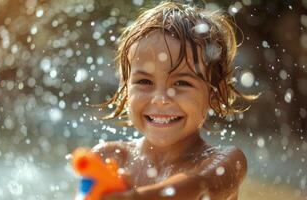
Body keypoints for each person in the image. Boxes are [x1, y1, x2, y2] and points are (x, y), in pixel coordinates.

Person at [91, 1, 257, 199]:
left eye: (182, 83)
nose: (161, 99)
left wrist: (135, 197)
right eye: (144, 81)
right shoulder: (109, 159)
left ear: (213, 94)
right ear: (126, 90)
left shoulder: (226, 162)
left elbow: (200, 185)